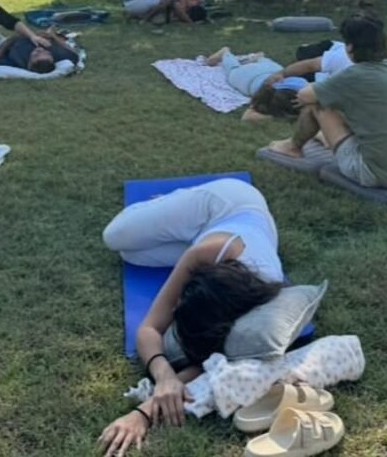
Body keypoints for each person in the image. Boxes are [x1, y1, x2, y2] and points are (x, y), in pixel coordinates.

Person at [98, 179, 285, 456]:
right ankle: (176, 201)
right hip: (225, 203)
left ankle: (176, 222)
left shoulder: (262, 312)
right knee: (115, 238)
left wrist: (142, 413)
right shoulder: (204, 254)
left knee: (132, 254)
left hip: (231, 221)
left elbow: (210, 362)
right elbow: (150, 327)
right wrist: (163, 375)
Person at [267, 15, 387, 190]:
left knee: (317, 104)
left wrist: (314, 86)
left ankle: (292, 147)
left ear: (350, 47)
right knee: (337, 103)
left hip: (374, 174)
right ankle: (322, 137)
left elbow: (304, 96)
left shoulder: (355, 75)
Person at [202, 47, 303, 121]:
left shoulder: (301, 84)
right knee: (233, 70)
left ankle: (259, 58)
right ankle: (226, 54)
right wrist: (284, 117)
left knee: (267, 64)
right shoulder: (266, 94)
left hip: (274, 70)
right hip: (249, 77)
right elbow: (247, 117)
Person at [0, 29, 79, 74]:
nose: (40, 49)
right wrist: (52, 36)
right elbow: (74, 53)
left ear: (29, 64)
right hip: (46, 36)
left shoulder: (17, 56)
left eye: (36, 54)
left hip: (22, 37)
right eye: (47, 53)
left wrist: (30, 35)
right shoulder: (58, 56)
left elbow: (10, 40)